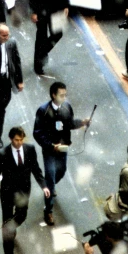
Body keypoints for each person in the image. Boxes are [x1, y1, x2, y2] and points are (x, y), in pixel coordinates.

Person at [0, 126, 49, 254]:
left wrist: (44, 186)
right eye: (16, 140)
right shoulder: (2, 154)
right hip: (7, 193)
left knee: (21, 216)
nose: (19, 143)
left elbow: (36, 169)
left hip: (23, 192)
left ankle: (10, 228)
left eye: (21, 140)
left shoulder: (30, 149)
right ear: (10, 139)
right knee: (7, 226)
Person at [33, 81, 91, 226]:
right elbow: (37, 133)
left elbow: (70, 124)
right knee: (51, 176)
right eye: (61, 95)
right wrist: (51, 146)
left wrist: (82, 123)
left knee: (61, 171)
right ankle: (48, 209)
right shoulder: (43, 111)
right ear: (53, 95)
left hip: (63, 147)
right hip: (50, 150)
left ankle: (49, 187)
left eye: (65, 95)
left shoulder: (67, 107)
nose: (64, 98)